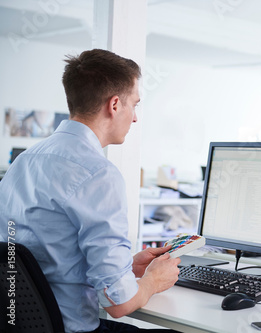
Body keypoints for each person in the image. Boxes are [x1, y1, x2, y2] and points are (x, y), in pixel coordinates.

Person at [0, 49, 181, 332]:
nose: (135, 118)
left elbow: (45, 257)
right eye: (135, 104)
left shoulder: (23, 161)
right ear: (115, 104)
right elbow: (118, 305)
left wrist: (127, 266)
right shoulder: (99, 174)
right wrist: (151, 282)